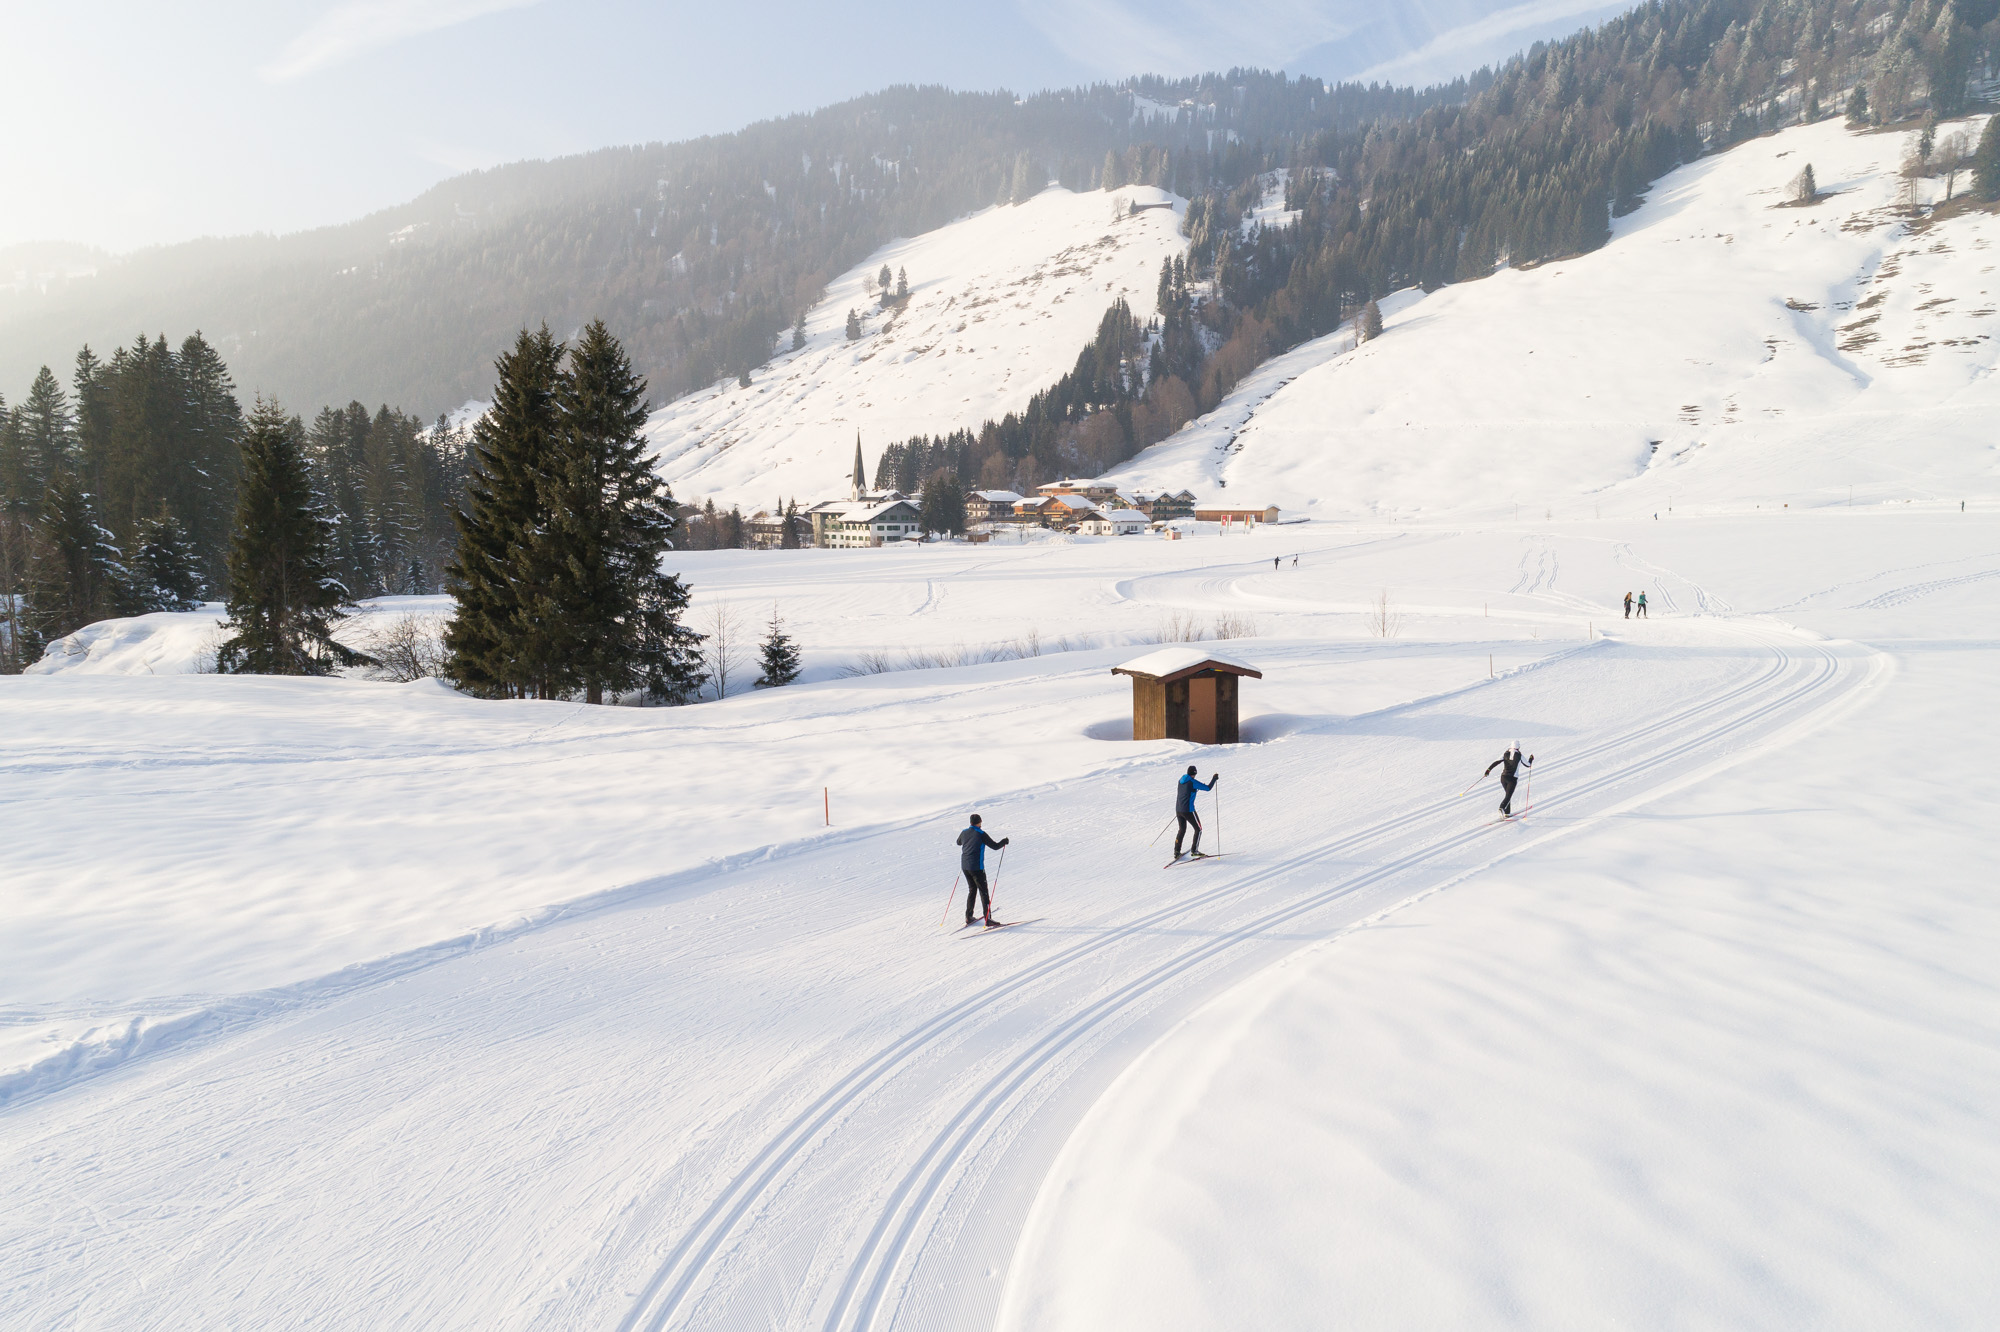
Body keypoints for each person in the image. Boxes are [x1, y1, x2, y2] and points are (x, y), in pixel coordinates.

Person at [956, 814, 1009, 927]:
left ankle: (969, 916)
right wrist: (1004, 841)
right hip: (977, 868)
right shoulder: (981, 834)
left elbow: (959, 842)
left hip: (965, 867)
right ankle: (987, 919)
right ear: (980, 822)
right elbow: (995, 846)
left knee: (972, 889)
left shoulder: (964, 832)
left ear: (970, 822)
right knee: (983, 892)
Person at [1174, 765, 1219, 859]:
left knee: (1182, 830)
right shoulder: (1192, 782)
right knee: (1198, 829)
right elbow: (1208, 788)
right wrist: (1214, 779)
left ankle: (1176, 852)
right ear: (1194, 774)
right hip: (1189, 810)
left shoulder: (1180, 780)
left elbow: (1187, 791)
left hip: (1178, 810)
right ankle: (1194, 851)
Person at [1482, 744, 1534, 818]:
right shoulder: (1519, 755)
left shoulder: (1505, 753)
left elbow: (1496, 762)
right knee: (1508, 796)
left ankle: (1507, 812)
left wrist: (1488, 770)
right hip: (1512, 779)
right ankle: (1502, 808)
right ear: (1518, 747)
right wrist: (1531, 759)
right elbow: (1528, 765)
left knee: (1507, 794)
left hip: (1503, 777)